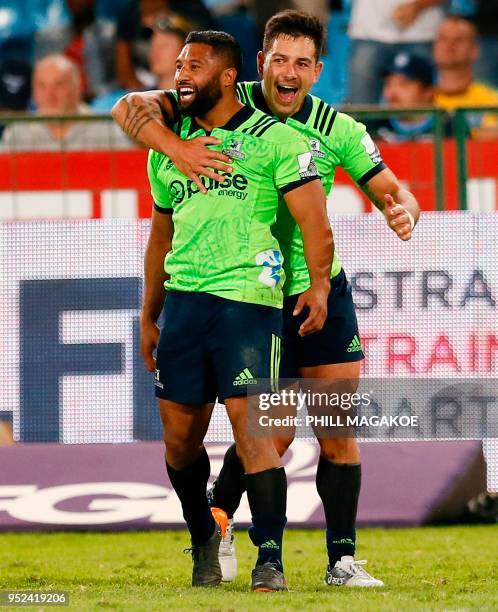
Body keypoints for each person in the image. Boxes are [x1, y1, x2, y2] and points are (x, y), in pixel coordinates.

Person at [111, 9, 420, 588]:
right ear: (258, 64)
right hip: (251, 293)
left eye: (302, 63)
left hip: (314, 288)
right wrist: (174, 149)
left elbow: (390, 188)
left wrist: (403, 208)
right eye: (279, 58)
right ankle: (224, 525)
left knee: (336, 423)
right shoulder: (219, 95)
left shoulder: (339, 129)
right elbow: (131, 106)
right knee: (269, 431)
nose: (289, 71)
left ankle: (341, 562)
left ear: (317, 71)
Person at [134, 30, 333, 591]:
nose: (180, 75)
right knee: (179, 440)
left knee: (258, 435)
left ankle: (270, 558)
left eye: (193, 66)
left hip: (250, 302)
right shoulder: (168, 146)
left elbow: (315, 221)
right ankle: (203, 537)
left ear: (225, 76)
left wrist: (318, 285)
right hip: (185, 306)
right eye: (177, 65)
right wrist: (150, 315)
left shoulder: (278, 140)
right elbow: (159, 237)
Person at [2, 55, 131, 151]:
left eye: (59, 85)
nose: (50, 95)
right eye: (42, 86)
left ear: (77, 88)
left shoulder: (105, 130)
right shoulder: (17, 132)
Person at [347, 0, 446, 103]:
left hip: (423, 33)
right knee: (361, 108)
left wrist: (419, 5)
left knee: (426, 110)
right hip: (368, 32)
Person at [433, 14, 498, 137]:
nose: (449, 45)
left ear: (475, 50)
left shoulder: (493, 101)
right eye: (443, 39)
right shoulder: (419, 100)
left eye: (459, 39)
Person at [372, 52, 436, 142]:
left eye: (403, 84)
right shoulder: (372, 131)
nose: (392, 93)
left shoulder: (449, 131)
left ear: (428, 92)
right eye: (388, 84)